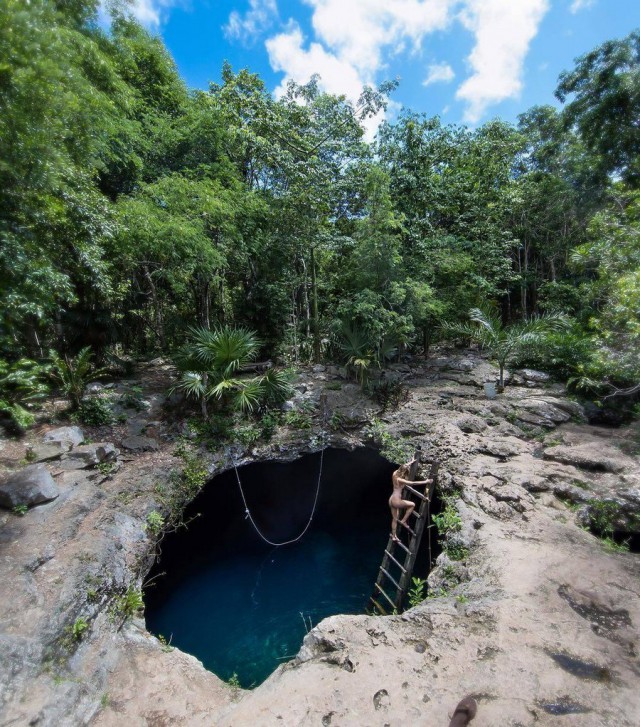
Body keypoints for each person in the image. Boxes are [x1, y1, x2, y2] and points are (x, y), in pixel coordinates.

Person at [389, 461, 430, 542]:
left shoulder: (395, 473)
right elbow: (412, 483)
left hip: (391, 499)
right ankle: (404, 521)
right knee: (412, 505)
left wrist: (412, 461)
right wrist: (426, 481)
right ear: (404, 471)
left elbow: (403, 467)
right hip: (396, 500)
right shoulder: (400, 480)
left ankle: (394, 536)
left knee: (394, 519)